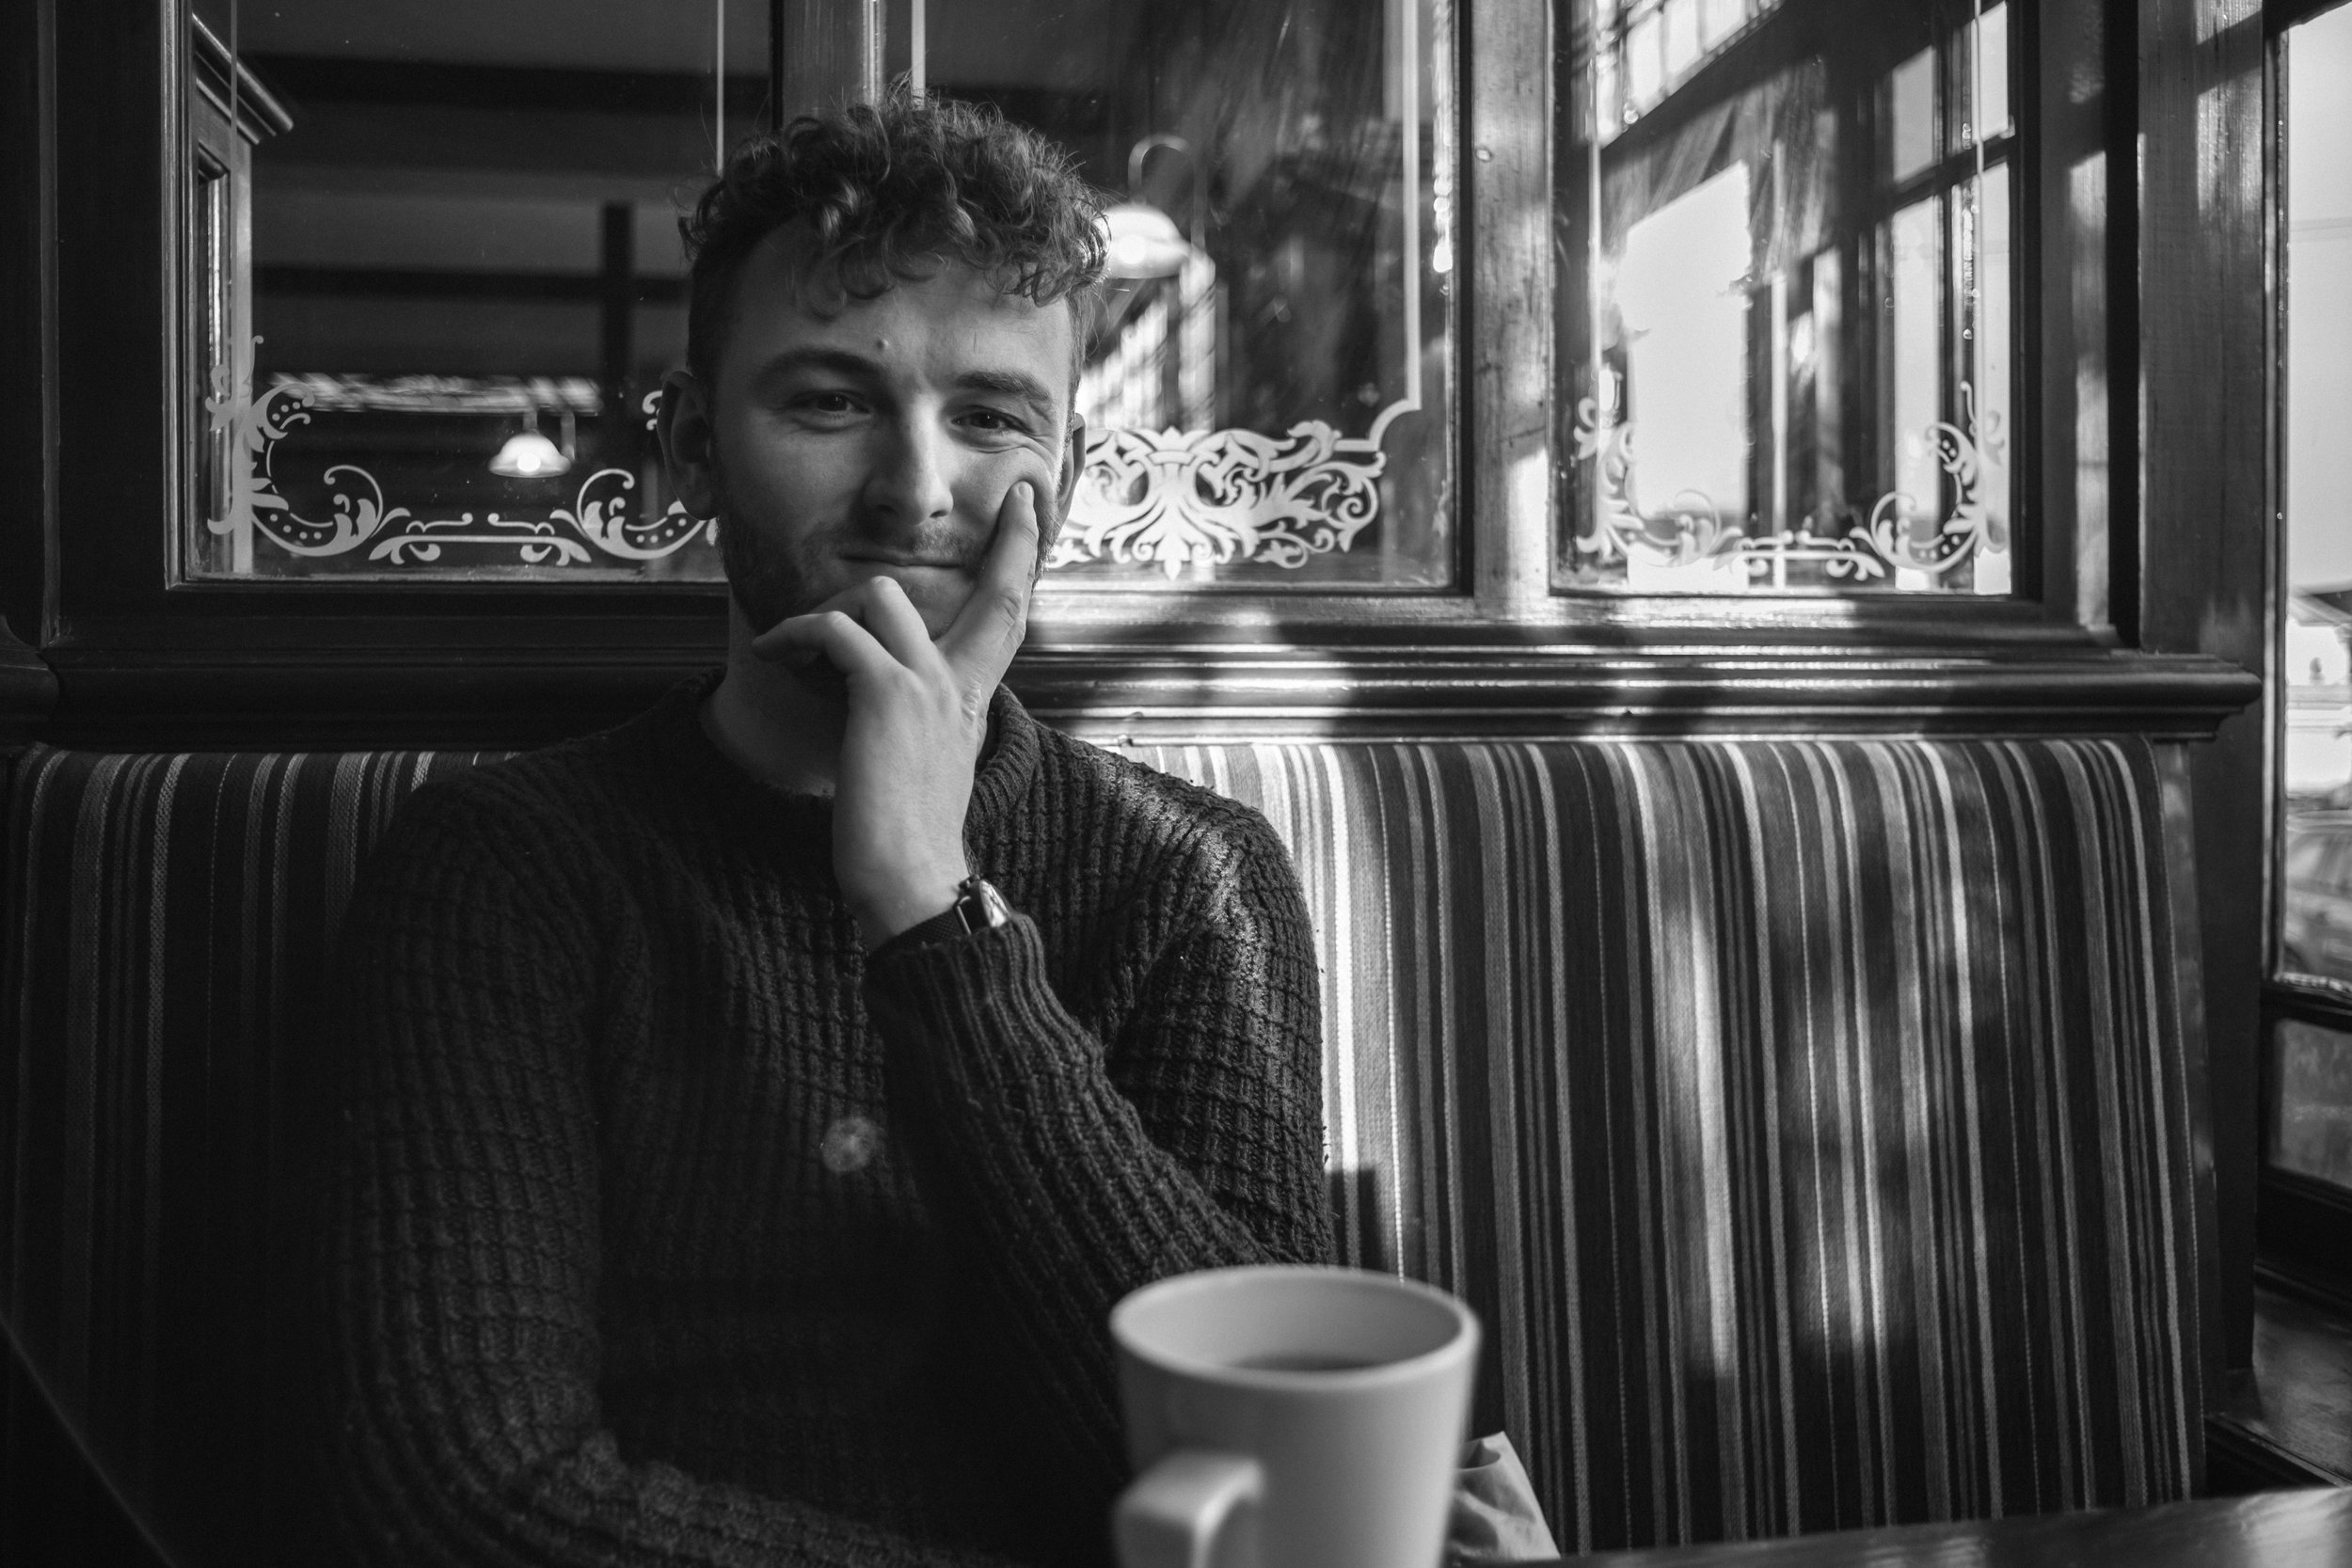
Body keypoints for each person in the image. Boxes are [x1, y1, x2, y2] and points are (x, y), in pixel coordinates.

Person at [313, 89, 1331, 1568]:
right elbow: (461, 1496)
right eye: (828, 401)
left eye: (990, 415)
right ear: (691, 445)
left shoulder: (1192, 875)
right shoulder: (503, 871)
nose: (917, 491)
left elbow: (1275, 1462)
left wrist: (935, 916)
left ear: (1070, 479)